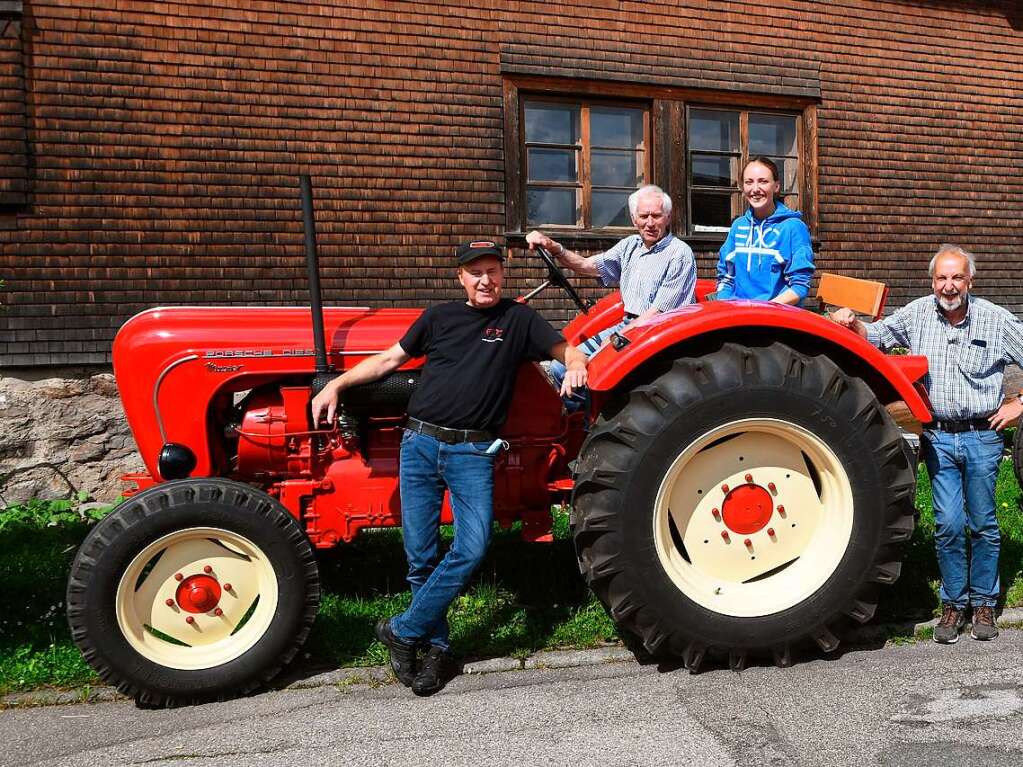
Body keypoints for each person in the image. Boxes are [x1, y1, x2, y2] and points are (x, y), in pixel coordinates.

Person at [310, 240, 587, 695]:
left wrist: (576, 364)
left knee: (472, 546)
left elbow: (567, 349)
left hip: (472, 452)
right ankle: (432, 650)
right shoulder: (439, 317)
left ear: (503, 275)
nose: (486, 280)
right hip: (418, 443)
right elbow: (389, 360)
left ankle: (401, 630)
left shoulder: (518, 320)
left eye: (493, 271)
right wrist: (336, 384)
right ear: (461, 278)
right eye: (476, 272)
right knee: (420, 556)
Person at [830, 244, 1023, 644]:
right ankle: (954, 604)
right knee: (949, 524)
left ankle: (984, 603)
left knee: (983, 523)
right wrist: (851, 324)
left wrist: (1019, 404)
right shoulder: (919, 313)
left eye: (956, 278)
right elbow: (878, 337)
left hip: (983, 435)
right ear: (932, 281)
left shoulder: (995, 320)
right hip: (938, 436)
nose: (948, 286)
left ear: (970, 281)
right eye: (941, 278)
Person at [524, 185, 696, 400]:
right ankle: (578, 420)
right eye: (644, 216)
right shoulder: (630, 246)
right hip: (629, 324)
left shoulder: (679, 253)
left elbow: (658, 314)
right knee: (561, 368)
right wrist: (554, 247)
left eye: (656, 216)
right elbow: (588, 265)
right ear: (634, 219)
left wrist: (616, 338)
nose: (650, 223)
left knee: (593, 373)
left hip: (657, 331)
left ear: (668, 218)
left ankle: (591, 421)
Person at [716, 156, 814, 304]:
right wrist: (725, 306)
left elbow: (799, 287)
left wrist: (763, 312)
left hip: (776, 318)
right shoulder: (738, 226)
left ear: (776, 186)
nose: (755, 189)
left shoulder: (793, 228)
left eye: (763, 181)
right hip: (738, 316)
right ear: (743, 188)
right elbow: (726, 277)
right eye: (749, 182)